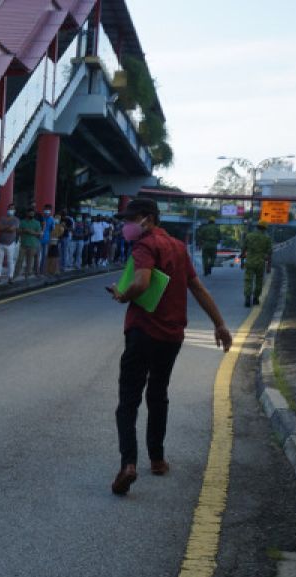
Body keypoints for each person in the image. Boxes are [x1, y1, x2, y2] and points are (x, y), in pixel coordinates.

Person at [106, 198, 232, 496]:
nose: (126, 226)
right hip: (172, 335)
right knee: (158, 393)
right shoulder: (177, 246)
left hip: (142, 332)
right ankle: (158, 459)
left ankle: (128, 464)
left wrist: (123, 295)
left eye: (131, 219)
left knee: (128, 401)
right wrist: (220, 324)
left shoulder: (145, 245)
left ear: (147, 219)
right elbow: (197, 287)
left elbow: (141, 282)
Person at [241, 221, 273, 307]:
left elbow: (243, 250)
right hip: (260, 263)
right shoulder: (267, 239)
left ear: (257, 227)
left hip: (250, 262)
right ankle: (256, 298)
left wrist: (242, 262)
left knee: (248, 280)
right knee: (259, 281)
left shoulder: (249, 236)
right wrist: (269, 266)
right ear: (265, 229)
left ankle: (248, 298)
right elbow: (269, 253)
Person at [0, 203, 20, 283]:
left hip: (11, 243)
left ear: (14, 210)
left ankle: (10, 277)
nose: (11, 210)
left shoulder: (16, 219)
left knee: (10, 261)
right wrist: (8, 227)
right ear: (7, 209)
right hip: (1, 242)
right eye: (10, 208)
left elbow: (12, 229)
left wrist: (4, 228)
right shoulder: (2, 218)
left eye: (12, 209)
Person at [17, 208, 42, 281]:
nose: (32, 214)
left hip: (32, 245)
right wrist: (23, 230)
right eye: (30, 213)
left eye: (33, 213)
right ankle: (15, 275)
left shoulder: (37, 223)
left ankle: (27, 276)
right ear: (27, 213)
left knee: (29, 261)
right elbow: (18, 231)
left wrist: (31, 232)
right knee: (20, 260)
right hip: (23, 245)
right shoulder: (22, 222)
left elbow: (39, 234)